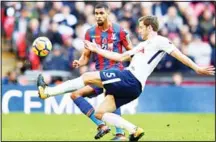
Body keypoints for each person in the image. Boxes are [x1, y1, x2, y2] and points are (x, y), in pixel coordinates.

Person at [37, 16, 215, 141]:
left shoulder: (160, 41)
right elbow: (121, 57)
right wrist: (96, 49)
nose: (139, 30)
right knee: (100, 113)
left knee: (87, 77)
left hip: (131, 79)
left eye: (141, 27)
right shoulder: (142, 46)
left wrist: (197, 68)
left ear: (149, 27)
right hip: (133, 87)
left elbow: (179, 54)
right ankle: (134, 130)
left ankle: (47, 92)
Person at [40, 3, 133, 141]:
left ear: (107, 13)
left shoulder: (120, 31)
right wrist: (80, 62)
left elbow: (132, 52)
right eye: (96, 13)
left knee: (111, 95)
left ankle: (120, 134)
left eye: (101, 13)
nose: (98, 16)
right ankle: (101, 126)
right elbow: (86, 56)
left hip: (115, 72)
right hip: (98, 74)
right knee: (76, 95)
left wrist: (130, 67)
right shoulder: (90, 32)